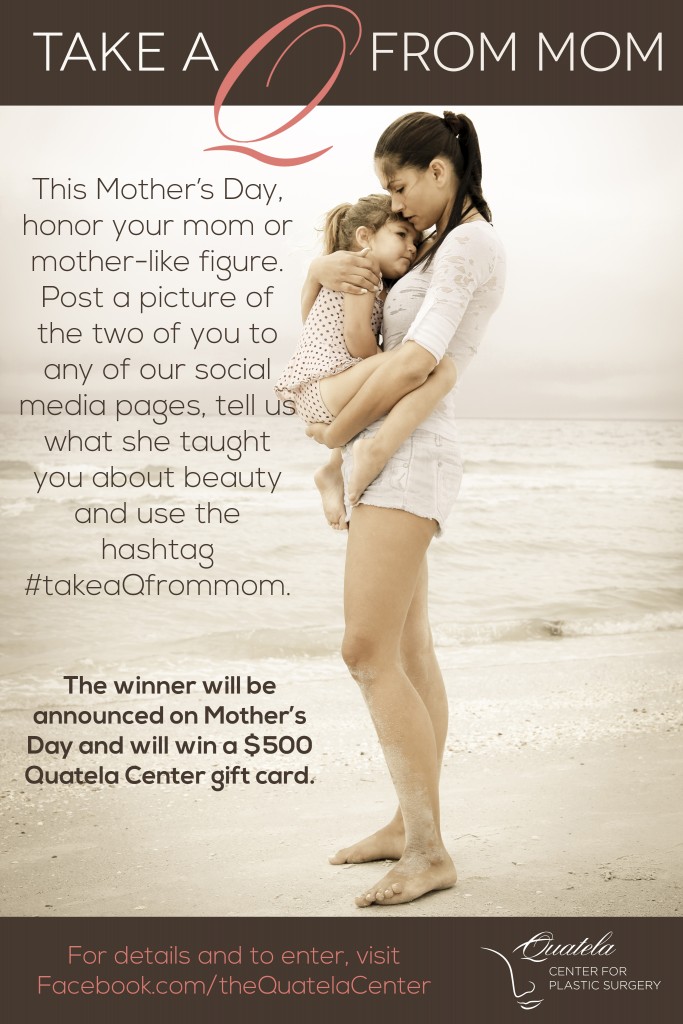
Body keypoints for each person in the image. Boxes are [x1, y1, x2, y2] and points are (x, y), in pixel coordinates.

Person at [303, 111, 506, 906]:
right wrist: (322, 266)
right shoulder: (444, 246)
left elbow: (423, 362)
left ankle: (427, 851)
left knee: (363, 651)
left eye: (398, 186)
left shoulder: (470, 243)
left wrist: (339, 437)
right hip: (393, 449)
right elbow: (335, 339)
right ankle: (406, 823)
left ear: (437, 170)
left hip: (408, 454)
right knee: (409, 651)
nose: (397, 205)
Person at [274, 194, 456, 529]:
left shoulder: (374, 278)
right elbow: (357, 337)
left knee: (403, 371)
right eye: (401, 235)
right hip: (324, 387)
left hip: (326, 389)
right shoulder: (364, 266)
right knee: (415, 362)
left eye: (415, 241)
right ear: (364, 237)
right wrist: (388, 367)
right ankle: (338, 463)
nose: (412, 247)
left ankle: (332, 469)